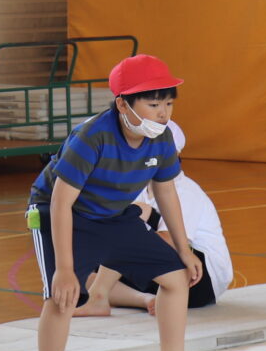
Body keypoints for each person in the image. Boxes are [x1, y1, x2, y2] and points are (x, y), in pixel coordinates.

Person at [28, 55, 227, 351]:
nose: (163, 113)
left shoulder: (161, 138)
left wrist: (184, 249)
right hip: (60, 213)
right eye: (153, 105)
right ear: (123, 103)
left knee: (176, 277)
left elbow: (166, 191)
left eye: (168, 103)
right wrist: (66, 269)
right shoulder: (91, 136)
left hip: (112, 214)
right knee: (63, 296)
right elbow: (60, 203)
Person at [79, 120, 233, 316]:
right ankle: (144, 300)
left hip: (200, 279)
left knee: (128, 222)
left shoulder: (185, 189)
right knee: (82, 270)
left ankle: (98, 296)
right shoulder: (140, 188)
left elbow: (171, 242)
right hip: (161, 273)